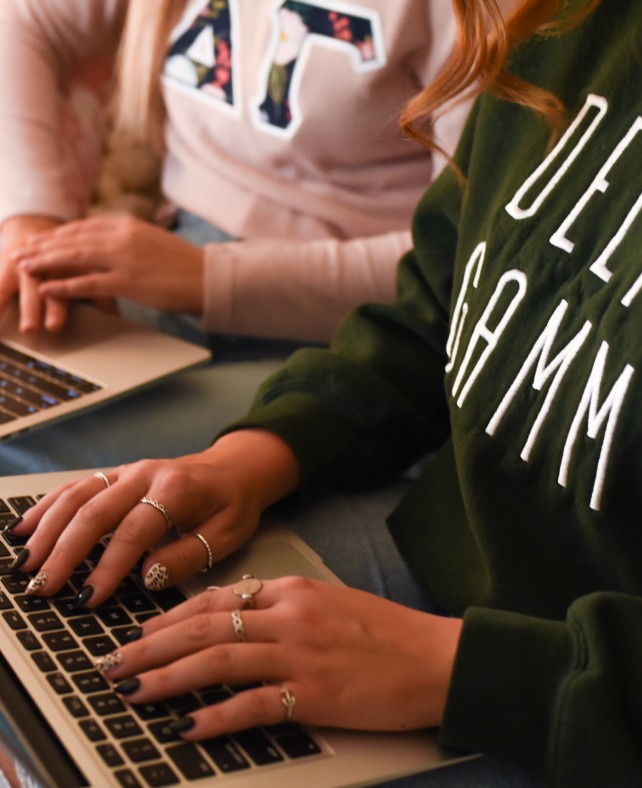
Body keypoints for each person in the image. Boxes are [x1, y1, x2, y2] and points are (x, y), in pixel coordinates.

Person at [2, 0, 641, 788]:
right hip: (459, 569)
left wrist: (450, 668)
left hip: (605, 765)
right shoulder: (578, 23)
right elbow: (441, 298)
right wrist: (261, 453)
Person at [0, 0, 468, 472]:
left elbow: (461, 264)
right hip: (164, 269)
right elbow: (25, 18)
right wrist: (28, 217)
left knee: (30, 456)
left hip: (356, 335)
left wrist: (209, 277)